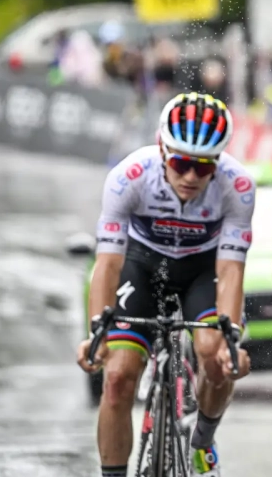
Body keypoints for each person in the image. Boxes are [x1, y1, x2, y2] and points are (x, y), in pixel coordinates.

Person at [76, 92, 253, 477]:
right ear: (161, 148)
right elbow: (107, 263)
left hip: (201, 269)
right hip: (140, 265)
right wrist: (97, 331)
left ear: (218, 162)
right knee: (119, 377)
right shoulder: (129, 177)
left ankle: (203, 440)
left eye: (203, 168)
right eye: (181, 163)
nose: (191, 176)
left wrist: (231, 337)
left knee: (214, 354)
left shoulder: (236, 185)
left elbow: (231, 269)